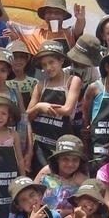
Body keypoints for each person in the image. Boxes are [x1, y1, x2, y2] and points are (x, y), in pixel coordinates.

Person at [27, 41, 80, 175]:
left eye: (51, 62)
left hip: (60, 146)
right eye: (44, 65)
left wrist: (45, 108)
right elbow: (27, 115)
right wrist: (39, 106)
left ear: (61, 60)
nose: (48, 67)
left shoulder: (73, 81)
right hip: (38, 144)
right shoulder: (40, 84)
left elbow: (68, 109)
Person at [4, 0, 86, 55]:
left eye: (57, 13)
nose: (53, 16)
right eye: (49, 12)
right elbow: (7, 22)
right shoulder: (34, 33)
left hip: (66, 76)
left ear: (64, 15)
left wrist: (80, 19)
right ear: (44, 15)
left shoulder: (69, 32)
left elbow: (79, 28)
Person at [34, 134, 89, 217]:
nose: (70, 164)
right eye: (65, 159)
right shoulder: (46, 172)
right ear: (57, 159)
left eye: (75, 160)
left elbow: (88, 207)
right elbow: (31, 194)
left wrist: (68, 212)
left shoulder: (82, 180)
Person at [5, 40, 37, 108]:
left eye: (22, 57)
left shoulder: (34, 83)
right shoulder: (2, 81)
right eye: (15, 57)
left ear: (27, 59)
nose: (18, 60)